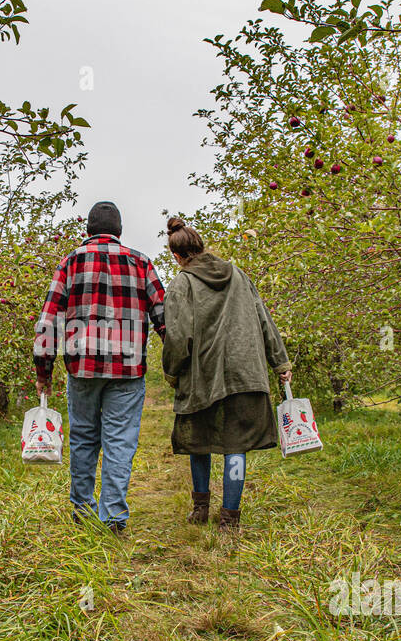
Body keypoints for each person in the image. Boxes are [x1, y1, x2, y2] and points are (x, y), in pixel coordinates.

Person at [33, 201, 166, 536]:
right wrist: (181, 362)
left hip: (83, 367)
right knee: (120, 442)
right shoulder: (141, 263)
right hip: (128, 369)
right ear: (119, 230)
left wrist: (44, 372)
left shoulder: (71, 262)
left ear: (88, 230)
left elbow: (48, 321)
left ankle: (81, 509)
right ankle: (114, 518)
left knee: (83, 438)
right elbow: (166, 319)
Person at [161, 216, 291, 533]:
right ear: (202, 247)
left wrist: (172, 372)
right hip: (247, 373)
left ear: (176, 256)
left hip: (202, 377)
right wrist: (280, 363)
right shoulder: (239, 275)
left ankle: (200, 510)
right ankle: (230, 520)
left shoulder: (182, 283)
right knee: (236, 446)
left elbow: (178, 338)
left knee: (198, 443)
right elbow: (264, 319)